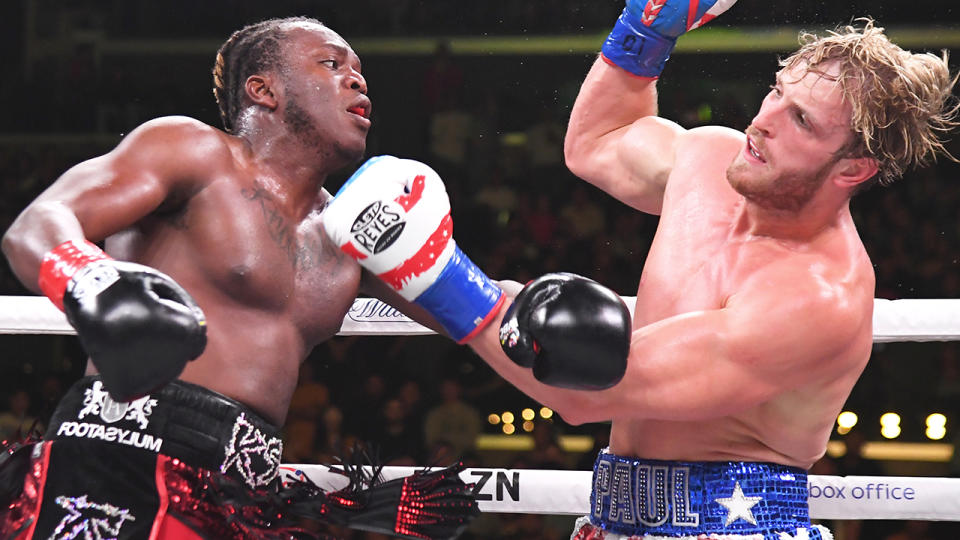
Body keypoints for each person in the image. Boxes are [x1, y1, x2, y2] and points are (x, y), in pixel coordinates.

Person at [482, 1, 957, 539]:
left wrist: (434, 275)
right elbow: (598, 142)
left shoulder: (818, 295)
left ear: (852, 168)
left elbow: (586, 390)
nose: (762, 121)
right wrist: (646, 26)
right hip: (610, 521)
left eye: (800, 119)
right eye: (778, 91)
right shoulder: (711, 160)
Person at [0, 16, 478, 540]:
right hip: (120, 455)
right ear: (263, 89)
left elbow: (485, 312)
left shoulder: (355, 232)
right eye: (331, 64)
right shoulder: (193, 152)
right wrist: (93, 281)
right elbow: (39, 224)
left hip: (242, 490)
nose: (357, 79)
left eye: (359, 71)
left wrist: (550, 309)